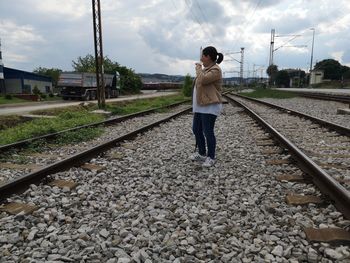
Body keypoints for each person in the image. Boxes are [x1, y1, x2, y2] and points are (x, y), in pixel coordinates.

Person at [190, 46, 224, 167]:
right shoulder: (207, 69)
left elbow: (203, 80)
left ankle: (211, 157)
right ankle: (202, 153)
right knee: (196, 129)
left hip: (210, 106)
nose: (201, 59)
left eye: (203, 56)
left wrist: (198, 68)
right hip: (201, 105)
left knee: (207, 131)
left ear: (208, 57)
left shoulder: (216, 70)